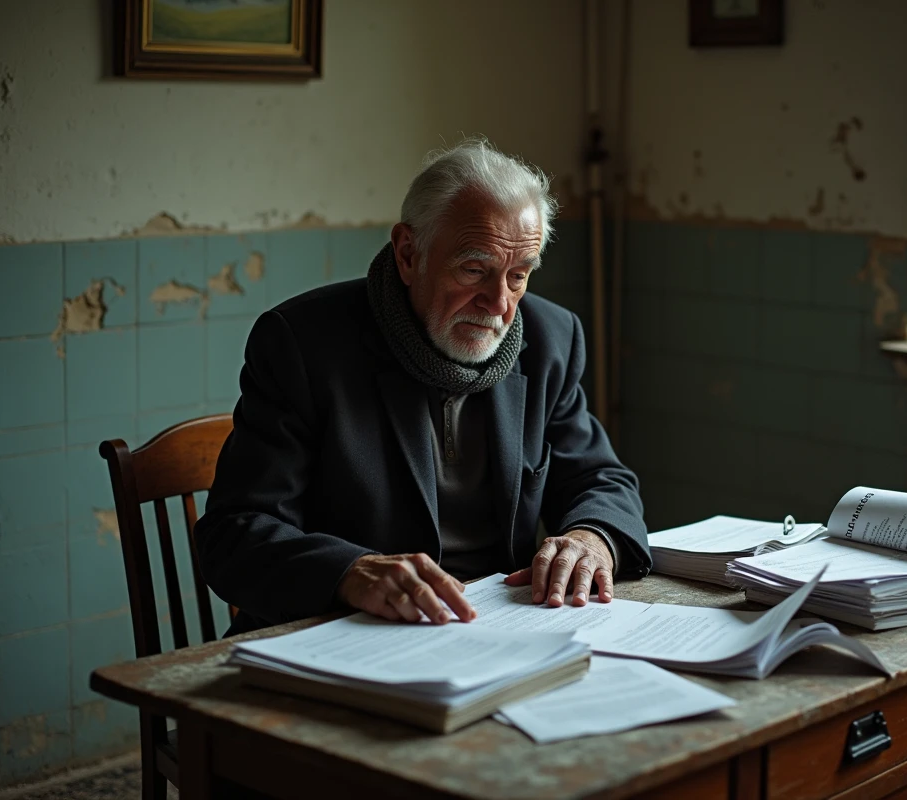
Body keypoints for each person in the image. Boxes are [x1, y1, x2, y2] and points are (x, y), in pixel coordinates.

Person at [195, 139, 650, 635]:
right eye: (475, 270)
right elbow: (234, 532)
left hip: (497, 635)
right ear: (409, 253)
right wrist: (347, 573)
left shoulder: (550, 340)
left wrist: (591, 537)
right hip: (340, 636)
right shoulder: (303, 345)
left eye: (518, 276)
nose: (499, 303)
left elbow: (602, 480)